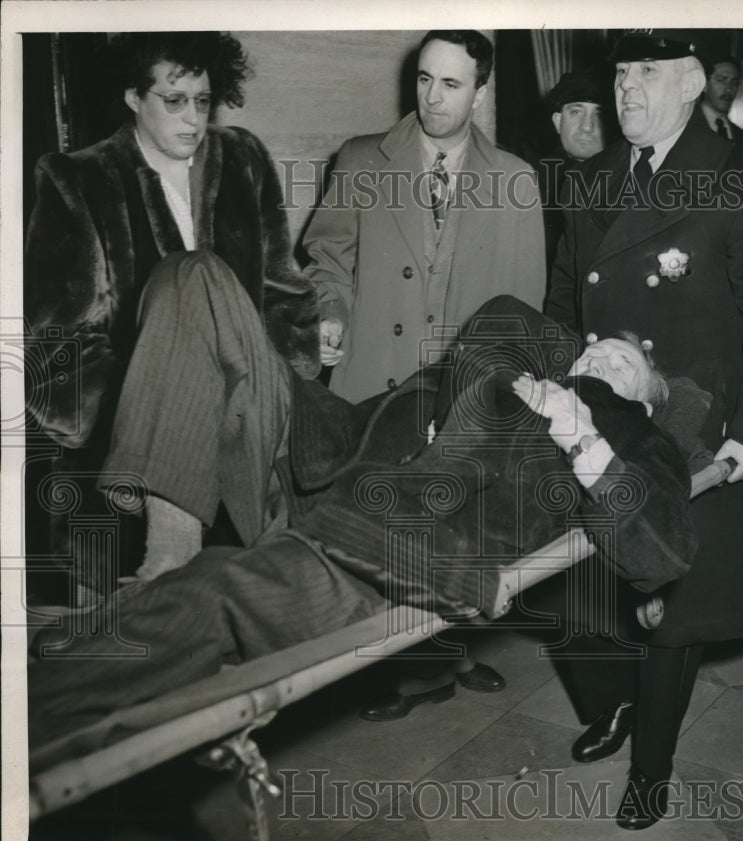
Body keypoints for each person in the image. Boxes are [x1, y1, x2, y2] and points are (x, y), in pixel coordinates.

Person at [28, 273, 701, 747]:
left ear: (646, 404)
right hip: (331, 453)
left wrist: (580, 435)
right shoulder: (520, 369)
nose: (598, 357)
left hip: (394, 542)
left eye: (621, 363)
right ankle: (165, 550)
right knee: (195, 279)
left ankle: (32, 705)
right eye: (593, 349)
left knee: (212, 594)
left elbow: (663, 553)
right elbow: (505, 329)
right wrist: (472, 408)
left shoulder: (633, 437)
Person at [545, 30, 743, 829]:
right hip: (600, 415)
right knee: (576, 585)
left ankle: (650, 768)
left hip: (691, 425)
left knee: (673, 606)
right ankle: (612, 702)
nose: (627, 87)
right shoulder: (592, 178)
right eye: (622, 70)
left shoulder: (740, 179)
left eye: (649, 71)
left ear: (692, 82)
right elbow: (563, 297)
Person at [24, 32, 320, 589]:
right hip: (141, 442)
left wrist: (281, 375)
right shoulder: (78, 179)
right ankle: (215, 548)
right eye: (174, 100)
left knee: (193, 271)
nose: (193, 119)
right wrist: (166, 396)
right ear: (134, 97)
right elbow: (60, 348)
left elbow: (286, 296)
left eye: (203, 101)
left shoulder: (243, 158)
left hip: (256, 407)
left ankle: (172, 549)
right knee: (190, 275)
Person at [302, 29, 546, 405]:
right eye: (424, 78)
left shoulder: (516, 179)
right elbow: (328, 262)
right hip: (369, 391)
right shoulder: (360, 159)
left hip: (465, 402)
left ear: (479, 95)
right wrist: (329, 315)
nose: (432, 97)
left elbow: (524, 310)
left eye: (450, 84)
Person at [537, 70, 609, 272]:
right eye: (576, 112)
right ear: (557, 121)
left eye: (599, 114)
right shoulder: (529, 182)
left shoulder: (630, 180)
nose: (587, 126)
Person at [696, 54, 743, 143]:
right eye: (721, 80)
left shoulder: (741, 136)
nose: (729, 89)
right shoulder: (685, 126)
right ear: (704, 84)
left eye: (734, 82)